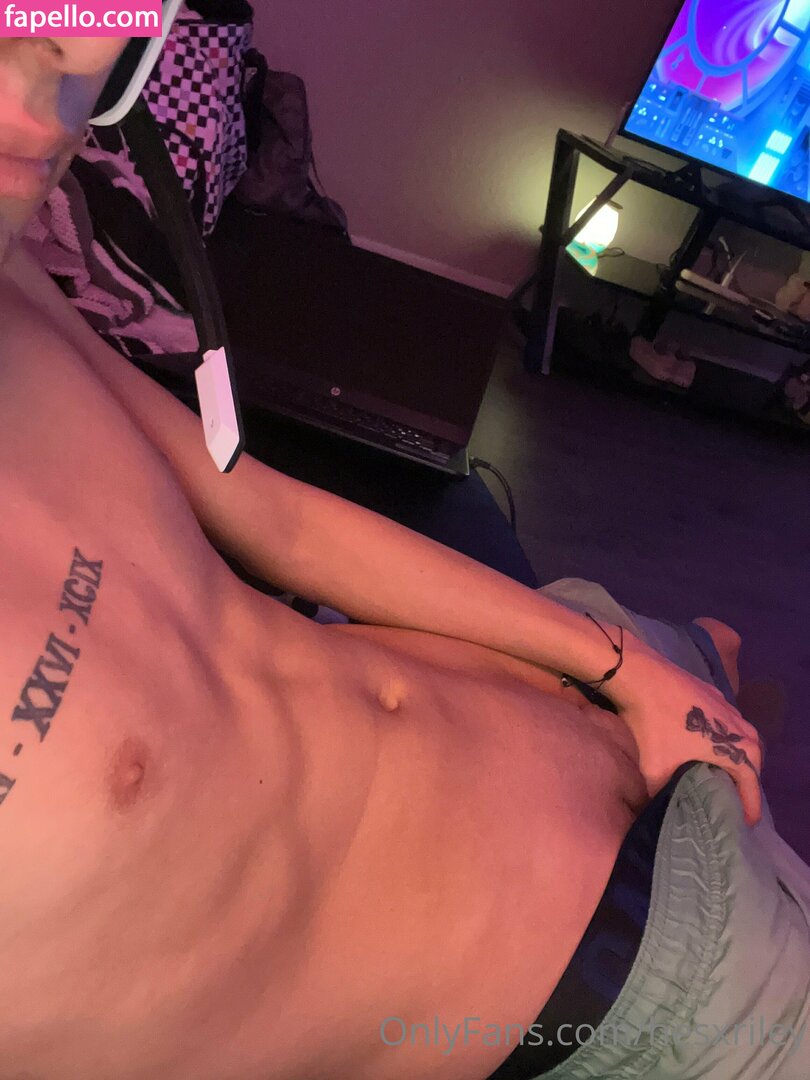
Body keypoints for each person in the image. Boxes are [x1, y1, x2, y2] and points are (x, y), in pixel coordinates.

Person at [0, 34, 806, 1080]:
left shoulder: (14, 287)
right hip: (632, 983)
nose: (78, 49)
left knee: (719, 658)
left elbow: (270, 518)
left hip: (578, 692)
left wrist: (623, 664)